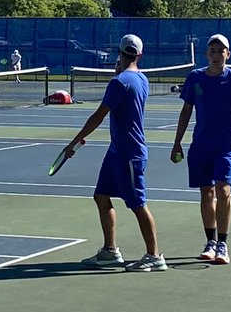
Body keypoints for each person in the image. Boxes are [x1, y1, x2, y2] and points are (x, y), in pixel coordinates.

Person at [69, 33, 165, 272]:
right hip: (117, 151)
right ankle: (110, 251)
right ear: (139, 55)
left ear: (119, 52)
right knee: (101, 196)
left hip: (129, 153)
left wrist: (74, 142)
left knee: (137, 204)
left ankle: (154, 256)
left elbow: (98, 116)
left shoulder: (119, 83)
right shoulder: (141, 79)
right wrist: (119, 72)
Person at [170, 33, 231, 266]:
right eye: (212, 51)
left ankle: (223, 244)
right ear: (207, 54)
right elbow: (186, 111)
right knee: (206, 193)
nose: (216, 55)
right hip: (200, 147)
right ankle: (210, 242)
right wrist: (177, 142)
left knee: (223, 191)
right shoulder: (195, 78)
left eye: (221, 51)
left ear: (228, 54)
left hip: (226, 147)